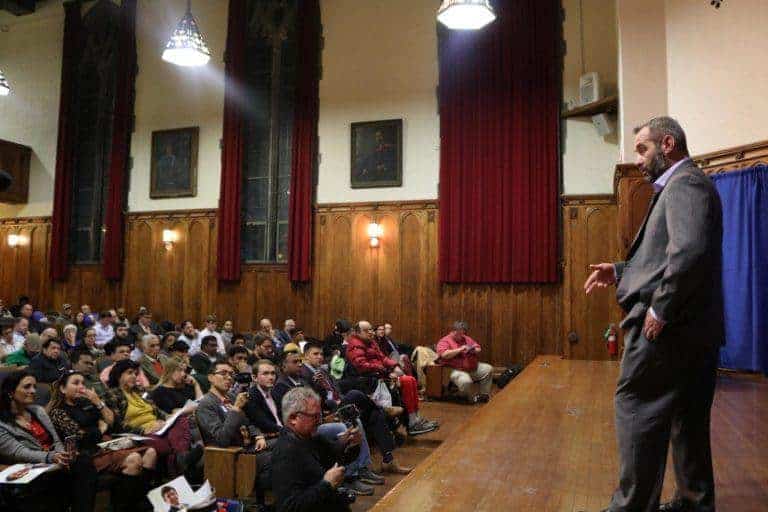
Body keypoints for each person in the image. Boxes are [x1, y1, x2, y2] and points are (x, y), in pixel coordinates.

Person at [584, 117, 724, 512]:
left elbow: (689, 252)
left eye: (643, 149)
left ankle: (631, 507)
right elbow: (666, 257)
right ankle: (693, 503)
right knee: (687, 421)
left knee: (637, 410)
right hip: (694, 332)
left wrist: (661, 308)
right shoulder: (688, 184)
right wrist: (620, 270)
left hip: (669, 332)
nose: (638, 160)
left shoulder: (685, 184)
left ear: (667, 144)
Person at [47, 371, 156, 511]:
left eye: (82, 383)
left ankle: (140, 500)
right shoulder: (58, 411)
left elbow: (111, 422)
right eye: (75, 383)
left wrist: (98, 402)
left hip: (104, 445)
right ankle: (126, 507)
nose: (81, 387)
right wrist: (100, 429)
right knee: (134, 459)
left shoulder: (86, 403)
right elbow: (80, 436)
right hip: (85, 454)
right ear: (62, 389)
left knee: (151, 452)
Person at [302, 341, 403, 478]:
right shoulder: (304, 374)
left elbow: (336, 389)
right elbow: (310, 399)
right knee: (355, 394)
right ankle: (383, 409)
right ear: (306, 356)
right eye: (315, 354)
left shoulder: (322, 371)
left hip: (339, 403)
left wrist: (339, 398)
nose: (320, 357)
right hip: (328, 411)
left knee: (374, 415)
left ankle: (388, 459)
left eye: (321, 354)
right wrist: (320, 388)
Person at [0, 370, 95, 512]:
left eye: (34, 387)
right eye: (27, 387)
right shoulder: (2, 423)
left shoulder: (38, 411)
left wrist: (62, 456)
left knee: (83, 461)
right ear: (10, 392)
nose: (33, 391)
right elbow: (19, 452)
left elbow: (55, 440)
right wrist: (52, 457)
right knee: (67, 474)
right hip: (29, 466)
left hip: (52, 462)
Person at [102, 360, 202, 477]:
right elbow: (118, 424)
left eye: (135, 373)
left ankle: (181, 458)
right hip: (139, 433)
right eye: (130, 373)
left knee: (181, 420)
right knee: (166, 443)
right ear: (118, 375)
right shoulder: (113, 394)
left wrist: (169, 418)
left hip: (158, 428)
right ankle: (179, 461)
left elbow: (157, 411)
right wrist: (143, 430)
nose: (134, 376)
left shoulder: (139, 392)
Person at [270, 387, 362, 512]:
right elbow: (289, 507)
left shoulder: (312, 437)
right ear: (293, 418)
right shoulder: (285, 453)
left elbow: (337, 458)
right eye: (314, 416)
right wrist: (326, 485)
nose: (320, 421)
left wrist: (351, 444)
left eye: (320, 415)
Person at [346, 320, 438, 437]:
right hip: (370, 379)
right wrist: (386, 371)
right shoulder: (355, 345)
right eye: (366, 330)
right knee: (407, 381)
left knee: (411, 379)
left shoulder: (371, 342)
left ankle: (415, 418)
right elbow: (362, 366)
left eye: (371, 329)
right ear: (358, 332)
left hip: (381, 374)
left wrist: (395, 366)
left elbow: (383, 358)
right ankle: (412, 422)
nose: (371, 332)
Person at [436, 321, 493, 403]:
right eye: (458, 333)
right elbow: (444, 355)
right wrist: (459, 349)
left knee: (488, 368)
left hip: (469, 366)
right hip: (453, 369)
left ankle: (484, 395)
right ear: (452, 331)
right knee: (466, 381)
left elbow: (478, 348)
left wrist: (473, 349)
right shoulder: (444, 341)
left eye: (462, 333)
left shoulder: (466, 338)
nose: (460, 336)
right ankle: (468, 398)